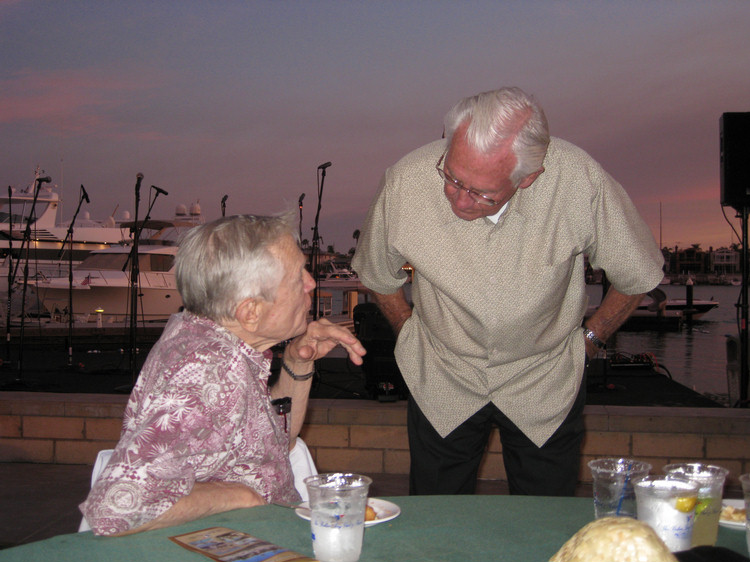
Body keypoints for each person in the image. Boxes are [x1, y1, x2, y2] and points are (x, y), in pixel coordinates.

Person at [351, 87, 664, 497]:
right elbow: (377, 274)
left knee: (544, 522)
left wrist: (589, 340)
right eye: (451, 176)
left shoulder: (579, 180)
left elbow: (637, 274)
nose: (458, 200)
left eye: (481, 192)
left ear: (529, 177)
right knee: (437, 524)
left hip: (545, 379)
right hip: (442, 375)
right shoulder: (406, 180)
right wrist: (408, 331)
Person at [80, 214, 366, 536]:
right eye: (297, 275)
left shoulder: (209, 338)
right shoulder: (210, 371)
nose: (311, 282)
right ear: (251, 312)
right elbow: (115, 508)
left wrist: (298, 361)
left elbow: (276, 441)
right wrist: (242, 496)